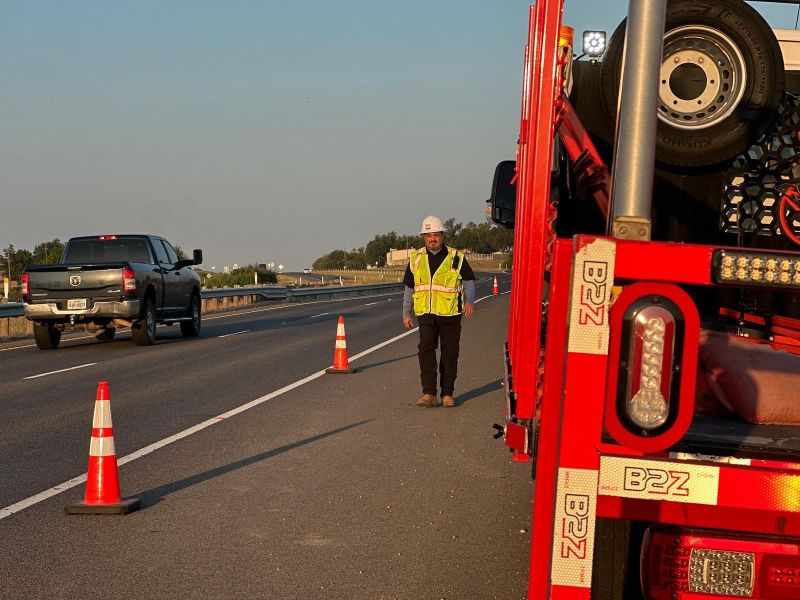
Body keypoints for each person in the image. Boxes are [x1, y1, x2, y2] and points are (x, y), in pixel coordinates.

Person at [402, 216, 476, 407]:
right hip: (425, 313)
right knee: (425, 350)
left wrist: (470, 301)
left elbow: (468, 280)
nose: (432, 239)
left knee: (450, 353)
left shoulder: (456, 257)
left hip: (450, 313)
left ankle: (447, 394)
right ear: (423, 238)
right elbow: (409, 288)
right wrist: (406, 313)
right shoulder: (416, 259)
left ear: (442, 236)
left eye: (435, 235)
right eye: (428, 236)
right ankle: (429, 393)